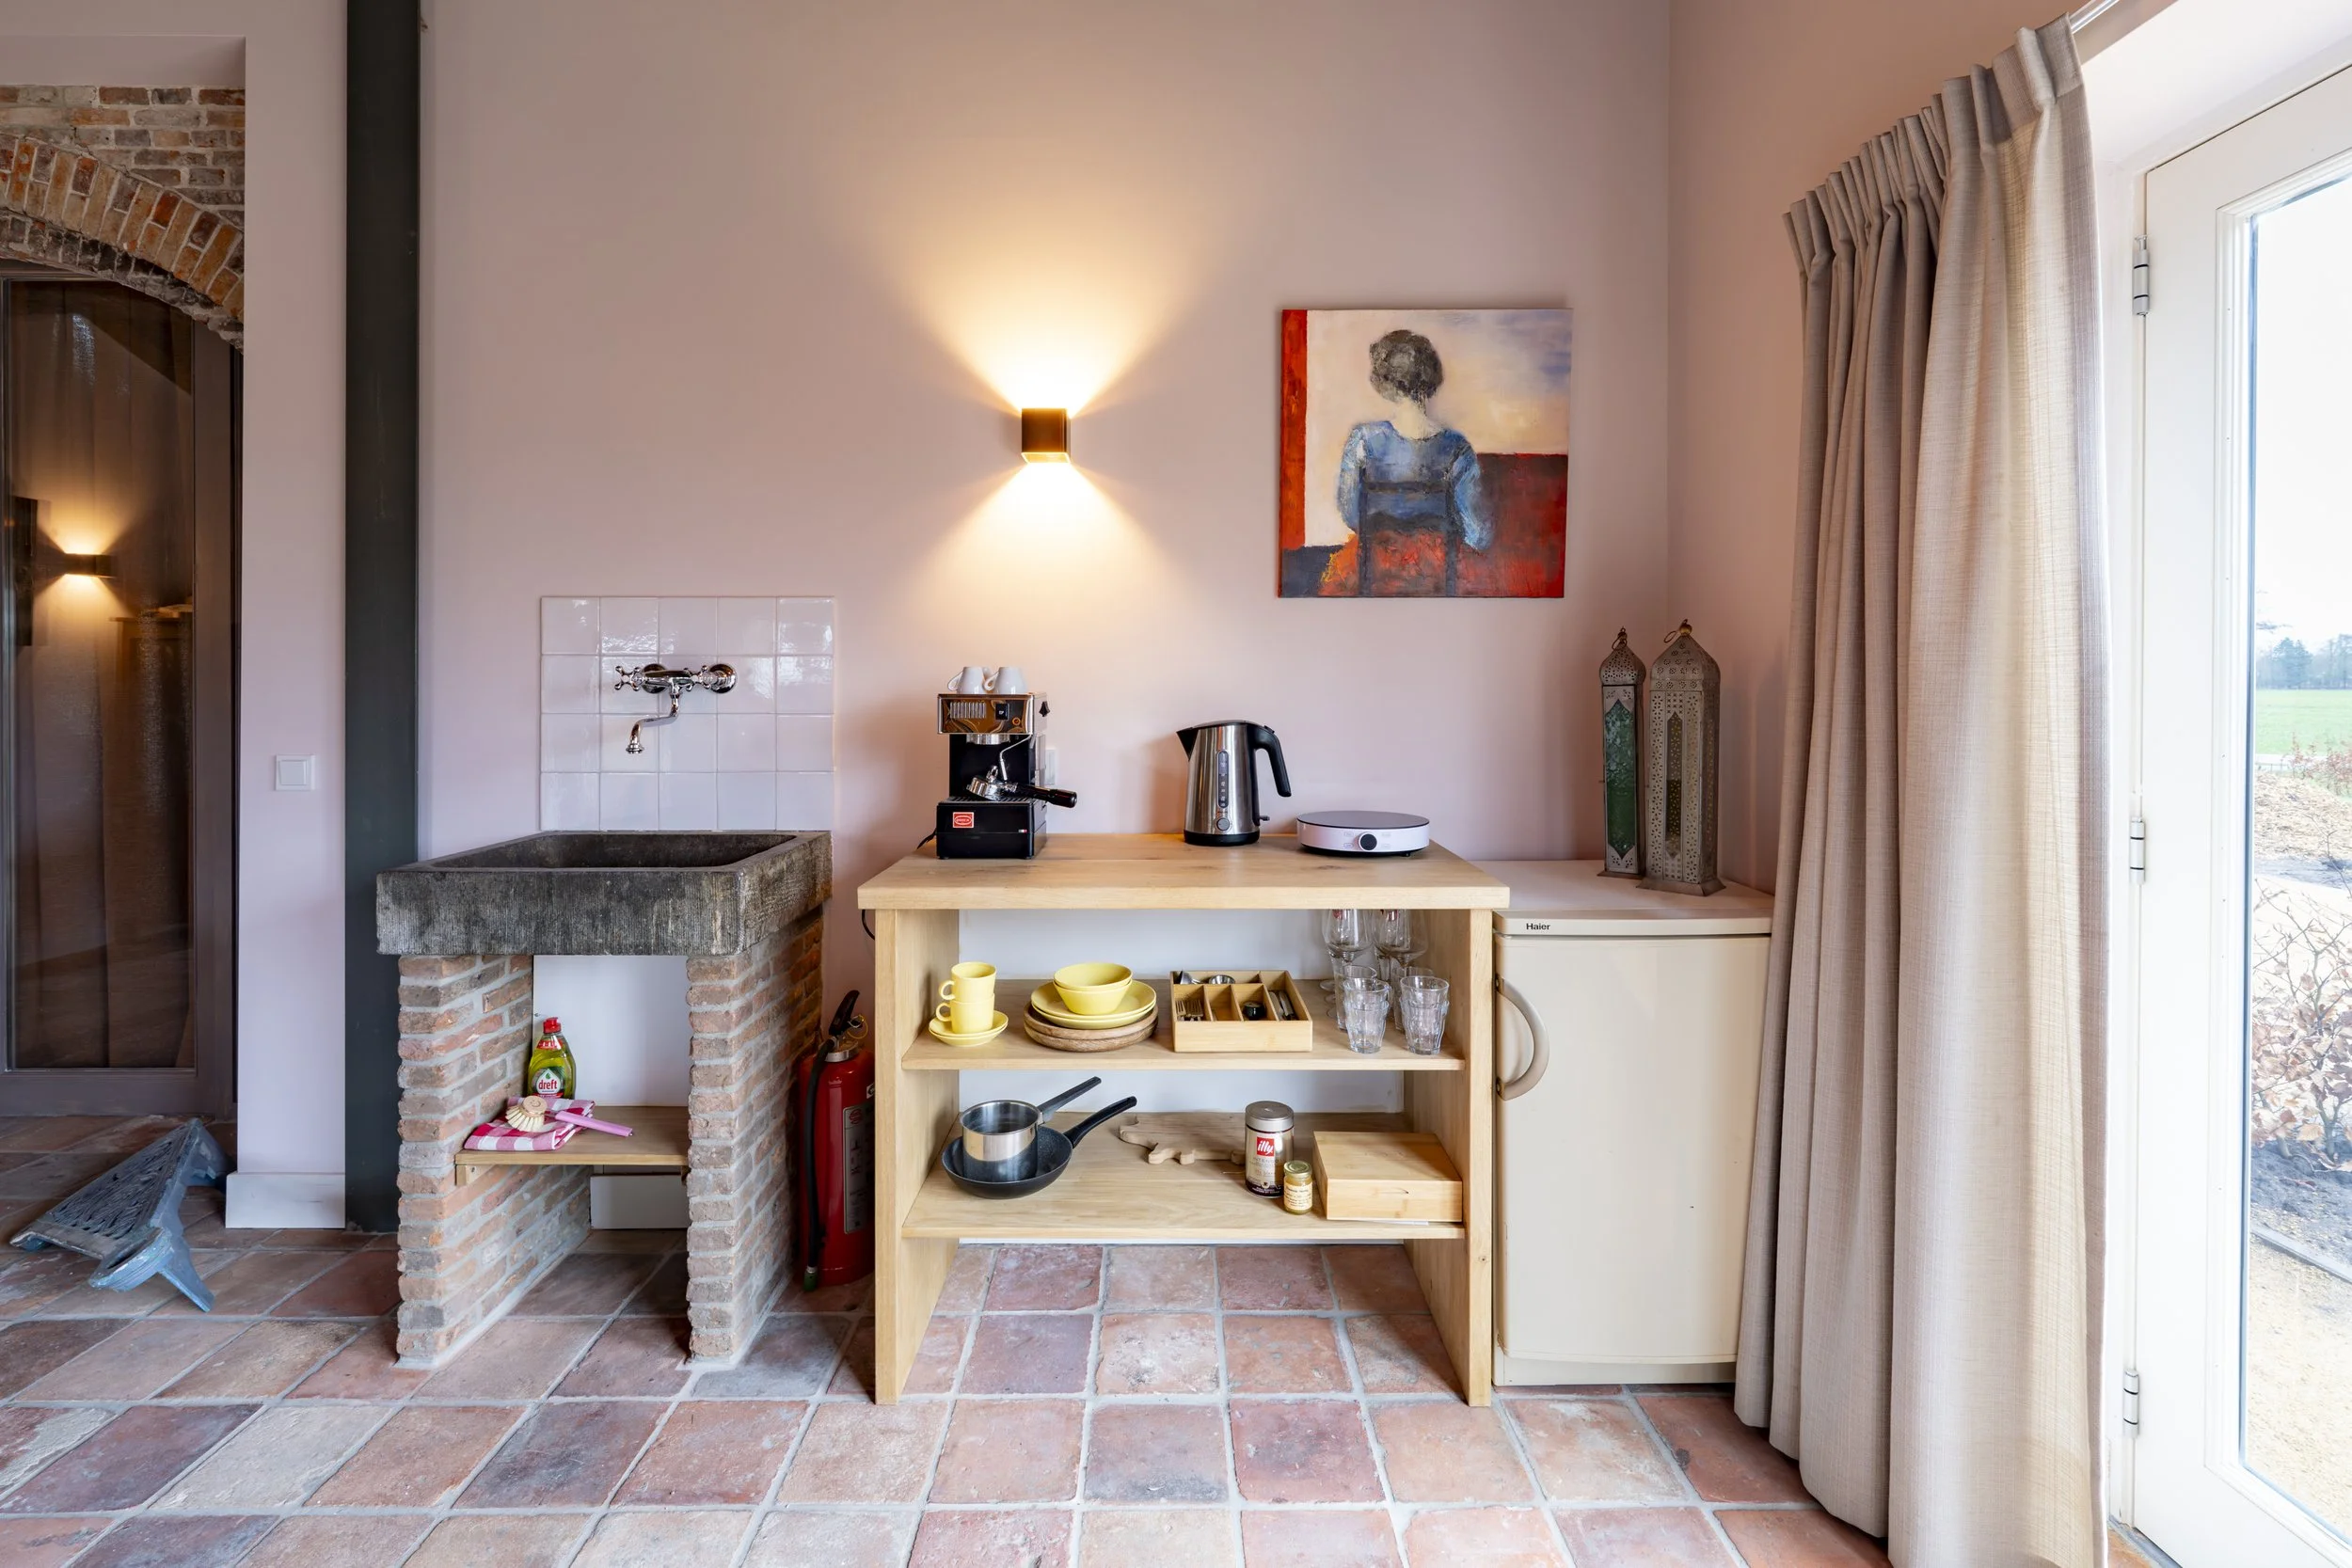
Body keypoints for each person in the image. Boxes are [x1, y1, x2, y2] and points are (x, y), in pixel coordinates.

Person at [1330, 329, 1492, 595]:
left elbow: (1349, 512)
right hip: (1438, 568)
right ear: (1431, 377)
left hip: (1376, 564)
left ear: (1385, 382)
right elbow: (1477, 532)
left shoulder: (1362, 439)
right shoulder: (1457, 447)